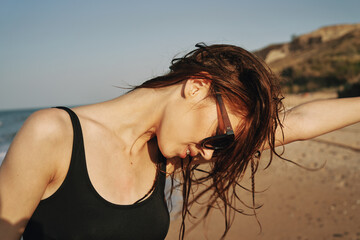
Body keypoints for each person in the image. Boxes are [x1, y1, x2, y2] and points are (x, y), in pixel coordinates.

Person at [0, 43, 359, 240]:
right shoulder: (54, 135)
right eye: (219, 137)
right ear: (197, 86)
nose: (208, 152)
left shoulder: (165, 159)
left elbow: (297, 122)